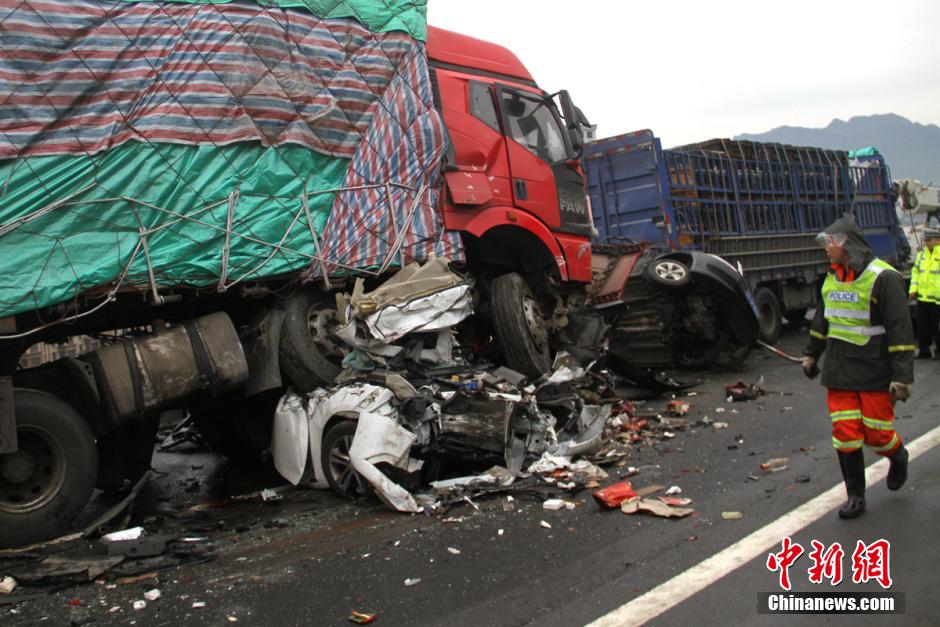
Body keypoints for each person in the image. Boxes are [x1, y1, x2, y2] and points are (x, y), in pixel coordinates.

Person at [801, 214, 914, 519]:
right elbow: (822, 322)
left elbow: (901, 332)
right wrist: (811, 354)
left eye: (830, 243)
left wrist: (903, 377)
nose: (826, 248)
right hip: (839, 369)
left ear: (845, 244)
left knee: (877, 433)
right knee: (845, 433)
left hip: (875, 368)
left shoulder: (884, 278)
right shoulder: (831, 278)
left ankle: (898, 455)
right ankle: (856, 497)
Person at [908, 228, 940, 358]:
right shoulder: (922, 255)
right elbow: (915, 273)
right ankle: (924, 350)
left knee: (937, 327)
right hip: (923, 298)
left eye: (929, 240)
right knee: (922, 326)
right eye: (925, 240)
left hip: (937, 299)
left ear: (937, 240)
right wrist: (913, 290)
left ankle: (939, 350)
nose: (926, 243)